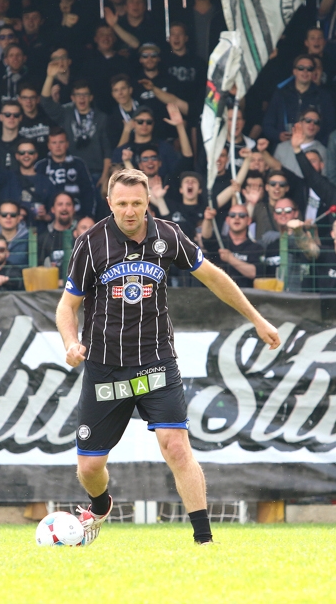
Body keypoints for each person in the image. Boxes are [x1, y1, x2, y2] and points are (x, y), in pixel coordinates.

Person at [57, 168, 280, 545]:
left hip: (156, 361)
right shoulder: (90, 244)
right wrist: (70, 342)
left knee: (176, 446)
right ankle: (100, 503)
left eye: (138, 204)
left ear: (147, 203)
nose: (130, 211)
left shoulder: (168, 235)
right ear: (110, 203)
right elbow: (67, 306)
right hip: (105, 368)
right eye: (123, 204)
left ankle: (204, 540)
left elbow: (214, 277)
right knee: (91, 466)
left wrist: (257, 319)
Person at [41, 75, 112, 186]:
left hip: (95, 173)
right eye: (78, 95)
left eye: (85, 95)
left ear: (91, 97)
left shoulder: (101, 118)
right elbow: (45, 102)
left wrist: (105, 176)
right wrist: (49, 76)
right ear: (72, 98)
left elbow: (107, 149)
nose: (82, 98)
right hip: (70, 171)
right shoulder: (65, 113)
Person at [262, 55, 336, 146]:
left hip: (312, 151)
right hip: (284, 148)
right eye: (301, 68)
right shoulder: (281, 94)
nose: (305, 71)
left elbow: (331, 128)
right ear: (294, 71)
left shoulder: (323, 96)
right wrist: (278, 135)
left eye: (309, 68)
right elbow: (267, 124)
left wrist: (318, 146)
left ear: (313, 73)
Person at [35, 127, 98, 219]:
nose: (58, 146)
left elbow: (88, 193)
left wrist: (88, 217)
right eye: (54, 143)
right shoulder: (41, 166)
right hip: (48, 218)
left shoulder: (78, 164)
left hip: (77, 216)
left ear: (67, 144)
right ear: (48, 145)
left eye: (61, 142)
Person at [200, 204, 263, 289]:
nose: (237, 218)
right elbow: (206, 237)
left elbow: (254, 273)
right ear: (227, 220)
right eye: (232, 215)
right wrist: (207, 219)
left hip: (244, 296)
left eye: (242, 215)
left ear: (248, 221)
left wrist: (231, 259)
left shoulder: (256, 247)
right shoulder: (219, 241)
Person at [37, 192, 77, 272]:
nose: (64, 208)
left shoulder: (81, 234)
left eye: (68, 204)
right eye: (60, 204)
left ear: (73, 209)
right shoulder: (43, 238)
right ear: (53, 209)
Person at [0, 200, 30, 268]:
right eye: (4, 215)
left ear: (18, 218)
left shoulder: (30, 240)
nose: (8, 217)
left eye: (13, 215)